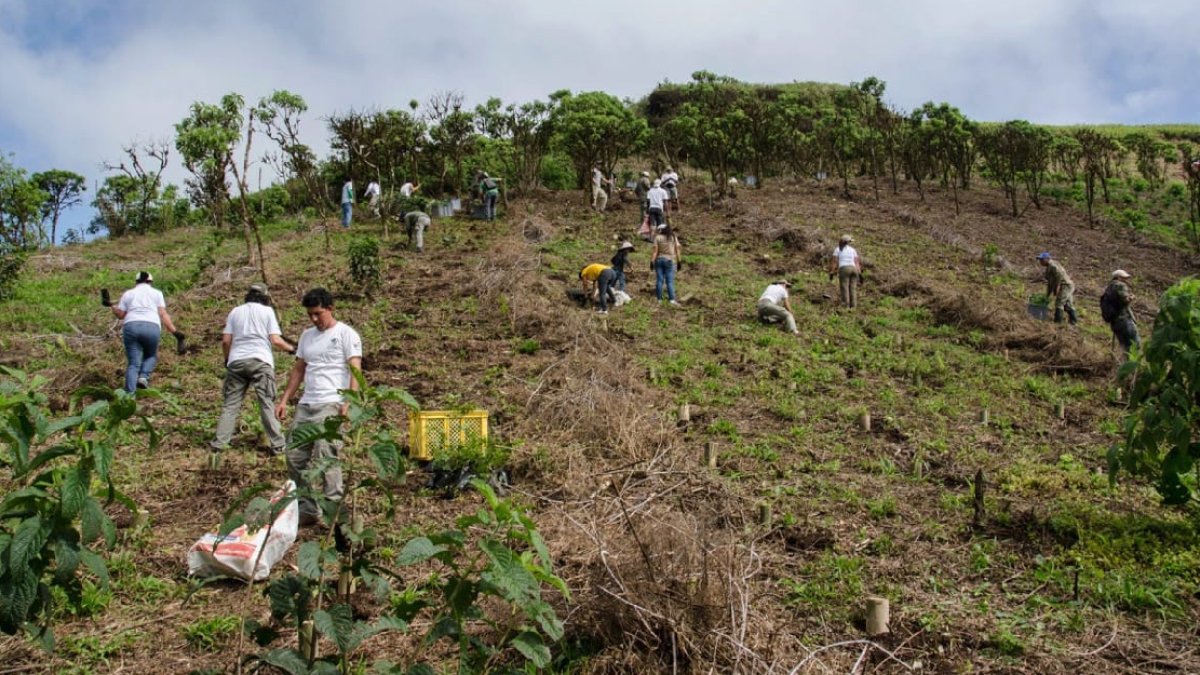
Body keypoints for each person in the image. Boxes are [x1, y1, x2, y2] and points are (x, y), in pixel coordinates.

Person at [275, 288, 363, 526]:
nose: (314, 319)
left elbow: (355, 369)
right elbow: (299, 370)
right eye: (309, 315)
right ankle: (307, 509)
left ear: (330, 308)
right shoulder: (306, 336)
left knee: (327, 456)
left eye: (317, 313)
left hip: (331, 403)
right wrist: (285, 399)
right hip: (307, 404)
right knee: (293, 456)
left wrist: (349, 401)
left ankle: (334, 512)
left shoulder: (346, 334)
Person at [211, 283, 295, 455]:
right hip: (260, 361)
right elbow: (276, 340)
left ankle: (219, 445)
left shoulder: (235, 311)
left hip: (237, 361)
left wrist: (228, 359)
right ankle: (278, 445)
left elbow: (226, 341)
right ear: (265, 297)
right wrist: (293, 349)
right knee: (266, 404)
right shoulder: (267, 312)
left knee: (230, 405)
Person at [110, 271, 183, 393]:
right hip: (152, 326)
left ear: (136, 282)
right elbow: (163, 314)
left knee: (133, 363)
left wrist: (112, 307)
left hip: (131, 326)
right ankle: (143, 377)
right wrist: (174, 332)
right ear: (150, 282)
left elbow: (121, 315)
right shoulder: (157, 293)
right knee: (151, 355)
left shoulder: (128, 294)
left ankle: (129, 396)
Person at [1103, 269, 1140, 358]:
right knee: (1135, 345)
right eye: (1124, 278)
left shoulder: (1109, 288)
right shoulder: (1120, 285)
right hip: (1124, 320)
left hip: (1115, 323)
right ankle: (1130, 368)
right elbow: (1125, 300)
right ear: (1118, 277)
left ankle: (1123, 367)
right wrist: (1131, 297)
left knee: (1125, 346)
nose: (1126, 280)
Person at [1037, 252, 1077, 325]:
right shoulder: (1049, 267)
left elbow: (1059, 275)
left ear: (1047, 259)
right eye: (1040, 260)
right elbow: (1050, 282)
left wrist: (1057, 287)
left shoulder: (1053, 265)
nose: (1040, 262)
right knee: (1068, 305)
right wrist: (1047, 295)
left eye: (1042, 260)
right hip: (1065, 285)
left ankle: (1058, 323)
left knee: (1059, 303)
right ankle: (1073, 321)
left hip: (1065, 285)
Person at [828, 234, 862, 308]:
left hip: (844, 269)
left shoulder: (838, 249)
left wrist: (832, 272)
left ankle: (845, 306)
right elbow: (856, 262)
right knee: (853, 288)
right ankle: (853, 307)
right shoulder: (853, 250)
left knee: (844, 287)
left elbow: (834, 261)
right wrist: (859, 273)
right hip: (854, 269)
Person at [652, 223, 681, 306]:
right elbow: (677, 250)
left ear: (661, 230)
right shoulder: (673, 237)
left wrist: (652, 261)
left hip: (659, 260)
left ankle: (659, 300)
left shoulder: (657, 238)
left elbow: (655, 252)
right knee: (669, 281)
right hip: (670, 261)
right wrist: (679, 261)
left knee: (659, 280)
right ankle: (671, 300)